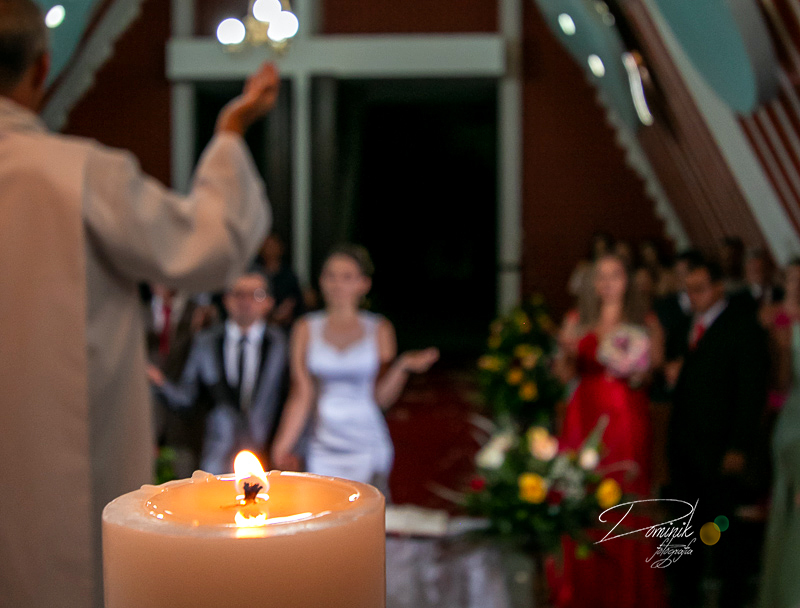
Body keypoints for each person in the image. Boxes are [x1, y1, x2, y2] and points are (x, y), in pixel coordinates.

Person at [0, 2, 280, 605]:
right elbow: (209, 244)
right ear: (42, 69)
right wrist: (231, 133)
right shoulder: (76, 176)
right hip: (56, 489)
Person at [270, 244, 439, 494]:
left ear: (364, 283)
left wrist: (402, 366)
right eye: (330, 276)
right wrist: (283, 444)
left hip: (366, 440)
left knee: (367, 510)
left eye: (347, 277)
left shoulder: (379, 328)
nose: (337, 284)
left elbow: (380, 398)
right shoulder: (305, 327)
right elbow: (301, 393)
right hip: (322, 441)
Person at [555, 252, 666, 608]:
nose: (607, 283)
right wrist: (566, 353)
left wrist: (637, 370)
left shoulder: (646, 321)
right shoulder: (576, 320)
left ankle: (629, 590)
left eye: (615, 275)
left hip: (626, 417)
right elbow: (563, 376)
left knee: (626, 494)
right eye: (600, 276)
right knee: (583, 490)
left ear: (627, 280)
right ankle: (584, 587)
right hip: (584, 416)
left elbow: (653, 371)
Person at [667, 257, 769, 608]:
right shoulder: (687, 326)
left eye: (699, 289)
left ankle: (731, 595)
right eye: (688, 290)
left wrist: (739, 445)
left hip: (720, 445)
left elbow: (751, 392)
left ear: (718, 288)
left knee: (723, 525)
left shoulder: (742, 327)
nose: (693, 297)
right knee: (683, 523)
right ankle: (685, 593)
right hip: (686, 445)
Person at [148, 271, 287, 474]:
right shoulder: (205, 341)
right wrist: (160, 382)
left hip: (268, 455)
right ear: (226, 299)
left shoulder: (281, 343)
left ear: (269, 302)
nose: (246, 301)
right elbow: (187, 397)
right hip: (216, 456)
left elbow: (291, 395)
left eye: (256, 294)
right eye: (238, 294)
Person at [759, 258, 800, 608]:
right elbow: (780, 383)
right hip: (792, 423)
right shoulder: (777, 319)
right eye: (792, 279)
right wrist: (783, 348)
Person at [255, 233, 305, 329]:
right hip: (258, 323)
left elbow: (294, 301)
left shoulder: (289, 275)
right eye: (267, 245)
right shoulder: (255, 274)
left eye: (273, 245)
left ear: (281, 248)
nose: (270, 249)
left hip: (285, 325)